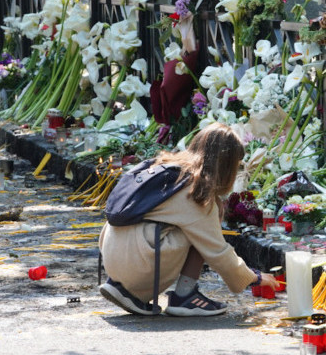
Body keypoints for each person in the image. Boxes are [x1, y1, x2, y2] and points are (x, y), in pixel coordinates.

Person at [98, 123, 279, 316]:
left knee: (190, 227)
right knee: (201, 231)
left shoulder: (166, 167)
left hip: (112, 257)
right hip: (139, 266)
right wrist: (255, 277)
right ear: (225, 166)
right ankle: (186, 296)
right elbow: (217, 250)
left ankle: (124, 284)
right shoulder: (196, 190)